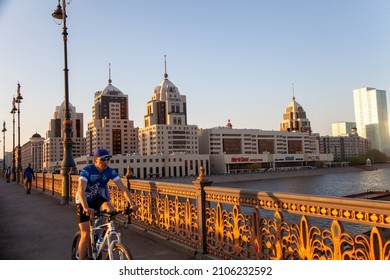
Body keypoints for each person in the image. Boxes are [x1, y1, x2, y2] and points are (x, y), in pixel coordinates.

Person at [76, 148, 138, 260]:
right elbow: (81, 189)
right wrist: (85, 207)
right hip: (83, 200)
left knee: (111, 211)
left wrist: (132, 203)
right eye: (103, 159)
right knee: (85, 234)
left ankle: (102, 237)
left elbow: (123, 188)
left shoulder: (110, 171)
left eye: (107, 159)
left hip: (96, 198)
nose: (105, 162)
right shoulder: (87, 170)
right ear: (95, 160)